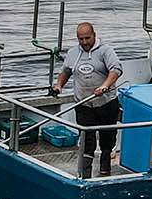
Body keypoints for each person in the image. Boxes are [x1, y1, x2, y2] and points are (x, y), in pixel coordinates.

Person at [48, 22, 124, 177]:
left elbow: (116, 69)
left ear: (94, 35)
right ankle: (85, 172)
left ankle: (105, 167)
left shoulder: (105, 51)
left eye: (87, 38)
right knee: (87, 139)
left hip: (106, 103)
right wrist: (58, 86)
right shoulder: (73, 53)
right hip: (84, 104)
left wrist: (105, 86)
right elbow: (66, 71)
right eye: (80, 39)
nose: (84, 42)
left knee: (107, 137)